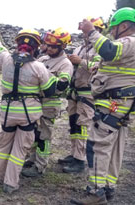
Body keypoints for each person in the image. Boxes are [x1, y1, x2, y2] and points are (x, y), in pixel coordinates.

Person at [70, 8, 135, 204]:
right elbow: (102, 62)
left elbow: (108, 50)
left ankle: (95, 193)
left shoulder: (129, 42)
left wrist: (91, 32)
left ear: (123, 26)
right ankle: (108, 188)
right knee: (113, 148)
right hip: (121, 103)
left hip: (113, 103)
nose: (111, 32)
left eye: (113, 28)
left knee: (97, 146)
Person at [0, 23, 57, 194]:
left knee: (2, 146)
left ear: (17, 43)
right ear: (36, 47)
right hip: (27, 116)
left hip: (7, 113)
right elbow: (50, 91)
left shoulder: (4, 59)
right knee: (19, 150)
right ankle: (10, 184)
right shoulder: (39, 67)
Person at [21, 27, 73, 178]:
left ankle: (40, 166)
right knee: (34, 133)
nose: (48, 48)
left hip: (49, 104)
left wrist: (44, 75)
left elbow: (62, 84)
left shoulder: (65, 64)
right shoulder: (43, 59)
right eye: (47, 45)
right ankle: (32, 159)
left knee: (44, 135)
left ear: (62, 46)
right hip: (35, 102)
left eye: (53, 46)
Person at [58, 17, 105, 174]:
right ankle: (74, 154)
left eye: (86, 31)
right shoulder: (79, 48)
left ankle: (80, 160)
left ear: (97, 30)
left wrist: (81, 62)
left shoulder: (100, 49)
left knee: (83, 126)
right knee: (74, 124)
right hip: (75, 93)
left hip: (87, 94)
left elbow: (98, 68)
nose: (84, 34)